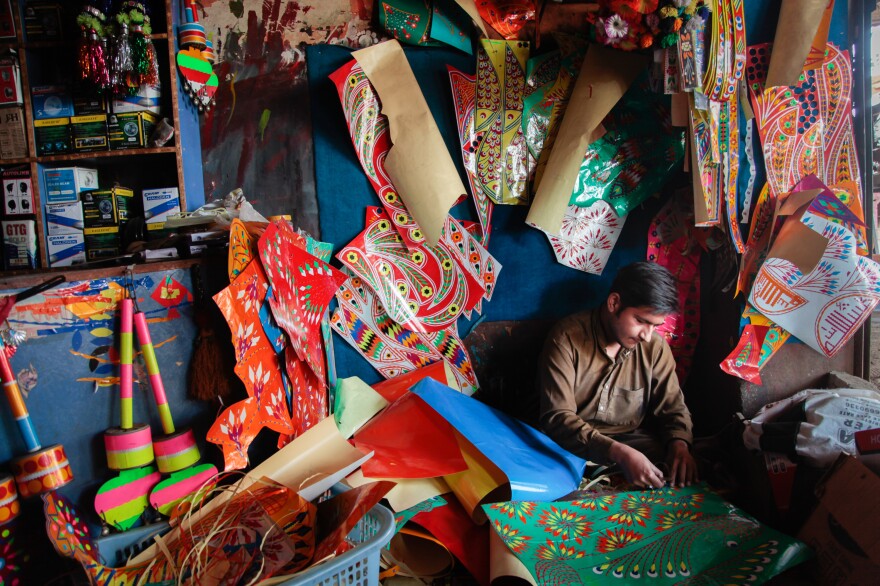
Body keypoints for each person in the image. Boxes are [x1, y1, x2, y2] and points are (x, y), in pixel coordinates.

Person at [537, 261, 697, 489]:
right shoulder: (566, 339)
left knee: (692, 467)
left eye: (656, 326)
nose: (647, 336)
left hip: (631, 443)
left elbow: (673, 408)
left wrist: (679, 445)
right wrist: (619, 453)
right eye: (641, 321)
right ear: (614, 303)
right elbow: (557, 417)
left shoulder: (655, 348)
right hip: (567, 446)